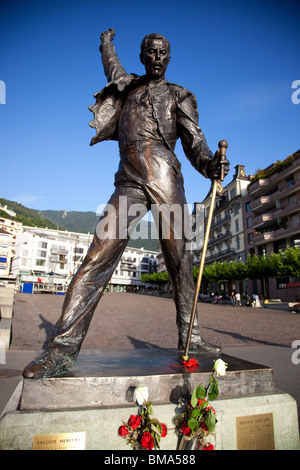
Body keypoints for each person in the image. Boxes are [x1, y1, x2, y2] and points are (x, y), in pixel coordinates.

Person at [23, 29, 229, 379]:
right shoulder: (128, 86)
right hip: (129, 180)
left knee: (180, 261)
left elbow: (196, 141)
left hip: (166, 177)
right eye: (151, 52)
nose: (158, 57)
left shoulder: (181, 95)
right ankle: (60, 350)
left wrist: (210, 164)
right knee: (96, 256)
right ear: (142, 56)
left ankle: (191, 338)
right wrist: (106, 44)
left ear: (169, 56)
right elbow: (111, 67)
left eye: (163, 52)